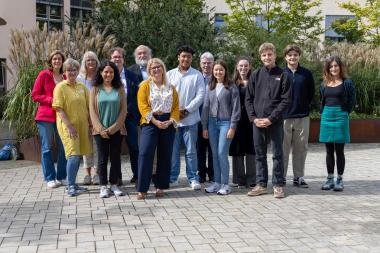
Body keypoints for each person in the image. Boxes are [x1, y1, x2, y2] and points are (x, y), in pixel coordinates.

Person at [245, 42, 291, 198]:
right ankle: (261, 184)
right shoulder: (255, 75)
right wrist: (253, 118)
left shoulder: (283, 75)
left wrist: (271, 119)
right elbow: (248, 99)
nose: (267, 57)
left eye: (269, 54)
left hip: (275, 122)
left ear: (275, 55)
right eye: (264, 55)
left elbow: (285, 100)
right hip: (257, 122)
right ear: (261, 57)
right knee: (259, 154)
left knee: (277, 154)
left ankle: (278, 185)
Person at [136, 58, 179, 200]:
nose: (156, 70)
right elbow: (142, 106)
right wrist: (154, 121)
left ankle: (160, 186)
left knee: (165, 155)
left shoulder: (171, 87)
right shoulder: (144, 86)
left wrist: (171, 120)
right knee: (145, 153)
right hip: (150, 121)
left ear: (163, 69)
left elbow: (176, 107)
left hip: (167, 122)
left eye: (158, 67)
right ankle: (142, 188)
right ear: (149, 71)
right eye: (152, 68)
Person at [52, 58, 92, 197]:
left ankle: (73, 184)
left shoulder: (82, 87)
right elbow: (59, 109)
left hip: (82, 126)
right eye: (69, 70)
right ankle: (70, 186)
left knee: (77, 155)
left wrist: (91, 124)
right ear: (64, 72)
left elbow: (89, 106)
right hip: (68, 127)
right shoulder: (60, 87)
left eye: (74, 69)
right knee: (73, 156)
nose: (72, 72)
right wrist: (69, 126)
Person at [167, 45, 205, 190]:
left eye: (188, 57)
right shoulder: (170, 74)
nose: (186, 59)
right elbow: (165, 94)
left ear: (191, 59)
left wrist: (187, 110)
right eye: (183, 56)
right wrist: (176, 112)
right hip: (174, 120)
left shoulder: (197, 75)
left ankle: (193, 178)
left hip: (191, 120)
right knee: (173, 151)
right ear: (178, 57)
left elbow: (201, 95)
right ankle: (173, 177)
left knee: (191, 151)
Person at [201, 60, 240, 195]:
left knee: (221, 153)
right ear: (213, 71)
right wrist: (204, 126)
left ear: (225, 71)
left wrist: (232, 126)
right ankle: (217, 183)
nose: (218, 72)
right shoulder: (209, 86)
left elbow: (236, 108)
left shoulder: (231, 87)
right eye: (216, 70)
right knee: (214, 154)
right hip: (211, 124)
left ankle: (225, 184)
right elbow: (205, 107)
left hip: (226, 123)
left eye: (221, 70)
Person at [89, 60, 127, 198]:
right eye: (105, 71)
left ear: (114, 73)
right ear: (100, 72)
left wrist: (113, 128)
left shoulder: (120, 88)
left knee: (115, 158)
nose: (108, 74)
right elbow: (91, 110)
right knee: (102, 158)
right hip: (100, 131)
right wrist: (100, 129)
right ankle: (103, 186)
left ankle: (114, 184)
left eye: (111, 72)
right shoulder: (95, 88)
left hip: (117, 130)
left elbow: (124, 110)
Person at [31, 50, 67, 189]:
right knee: (47, 148)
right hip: (45, 117)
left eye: (59, 59)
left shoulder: (65, 76)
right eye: (54, 59)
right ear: (50, 61)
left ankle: (62, 176)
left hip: (62, 117)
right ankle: (50, 178)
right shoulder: (44, 75)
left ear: (62, 61)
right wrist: (52, 100)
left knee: (63, 148)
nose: (57, 61)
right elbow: (35, 95)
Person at [319, 56, 355, 192]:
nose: (333, 68)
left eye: (336, 66)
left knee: (339, 150)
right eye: (331, 66)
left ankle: (339, 179)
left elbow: (352, 100)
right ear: (328, 69)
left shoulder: (347, 83)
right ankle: (329, 179)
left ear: (340, 67)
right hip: (327, 116)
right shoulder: (324, 84)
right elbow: (321, 100)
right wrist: (323, 112)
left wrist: (345, 112)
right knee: (328, 150)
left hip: (341, 116)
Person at [282, 45, 315, 188]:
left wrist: (303, 106)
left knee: (300, 149)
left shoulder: (306, 74)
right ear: (285, 57)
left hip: (302, 116)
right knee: (282, 149)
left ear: (299, 56)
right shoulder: (281, 73)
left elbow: (311, 93)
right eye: (290, 55)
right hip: (283, 117)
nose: (292, 57)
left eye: (295, 55)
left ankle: (298, 177)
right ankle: (280, 177)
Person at [109, 47, 140, 184]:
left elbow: (137, 97)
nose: (117, 59)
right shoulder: (107, 76)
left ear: (123, 59)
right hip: (113, 119)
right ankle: (117, 177)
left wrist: (126, 110)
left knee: (134, 147)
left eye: (119, 57)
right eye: (114, 57)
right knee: (115, 149)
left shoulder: (133, 76)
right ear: (111, 59)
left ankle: (137, 175)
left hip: (130, 118)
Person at [229, 57, 256, 189]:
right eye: (241, 66)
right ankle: (239, 179)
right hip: (237, 120)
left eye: (246, 66)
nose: (243, 68)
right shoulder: (232, 83)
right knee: (238, 149)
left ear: (250, 67)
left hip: (251, 120)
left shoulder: (255, 81)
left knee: (252, 148)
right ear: (237, 67)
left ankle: (252, 179)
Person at [77, 51, 100, 186]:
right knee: (86, 146)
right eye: (88, 60)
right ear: (84, 63)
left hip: (98, 116)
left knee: (98, 146)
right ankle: (87, 174)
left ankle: (97, 174)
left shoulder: (100, 77)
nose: (90, 62)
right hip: (84, 116)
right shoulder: (79, 78)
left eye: (93, 60)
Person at [197, 52, 214, 183]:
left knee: (213, 148)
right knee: (200, 148)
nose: (206, 65)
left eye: (209, 63)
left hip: (214, 119)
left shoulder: (218, 77)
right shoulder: (196, 77)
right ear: (200, 64)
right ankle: (201, 173)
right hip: (197, 118)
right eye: (204, 63)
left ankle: (213, 174)